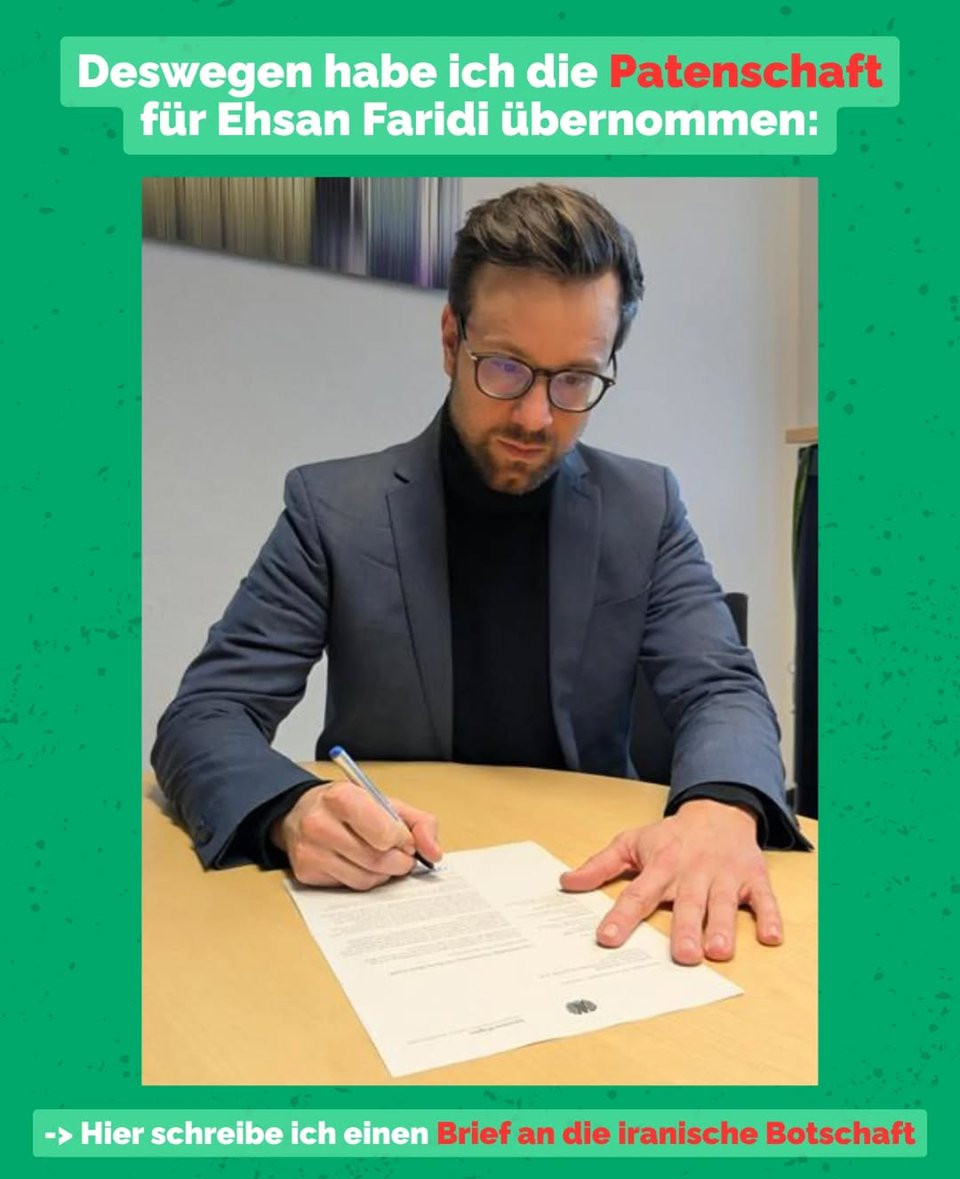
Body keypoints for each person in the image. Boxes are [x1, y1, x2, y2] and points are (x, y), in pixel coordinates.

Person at [152, 183, 808, 967]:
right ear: (449, 340)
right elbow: (208, 714)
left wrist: (720, 807)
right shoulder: (332, 510)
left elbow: (721, 689)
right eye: (504, 367)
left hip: (590, 892)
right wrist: (290, 812)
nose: (536, 417)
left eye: (575, 380)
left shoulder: (646, 507)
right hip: (393, 898)